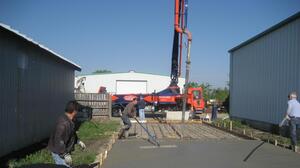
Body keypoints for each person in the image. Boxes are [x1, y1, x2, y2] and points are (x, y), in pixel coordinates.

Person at [48, 101, 86, 167]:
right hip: (59, 152)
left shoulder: (69, 120)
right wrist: (65, 154)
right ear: (74, 112)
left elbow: (72, 133)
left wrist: (78, 141)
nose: (78, 113)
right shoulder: (63, 124)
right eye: (77, 111)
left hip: (64, 150)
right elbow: (59, 140)